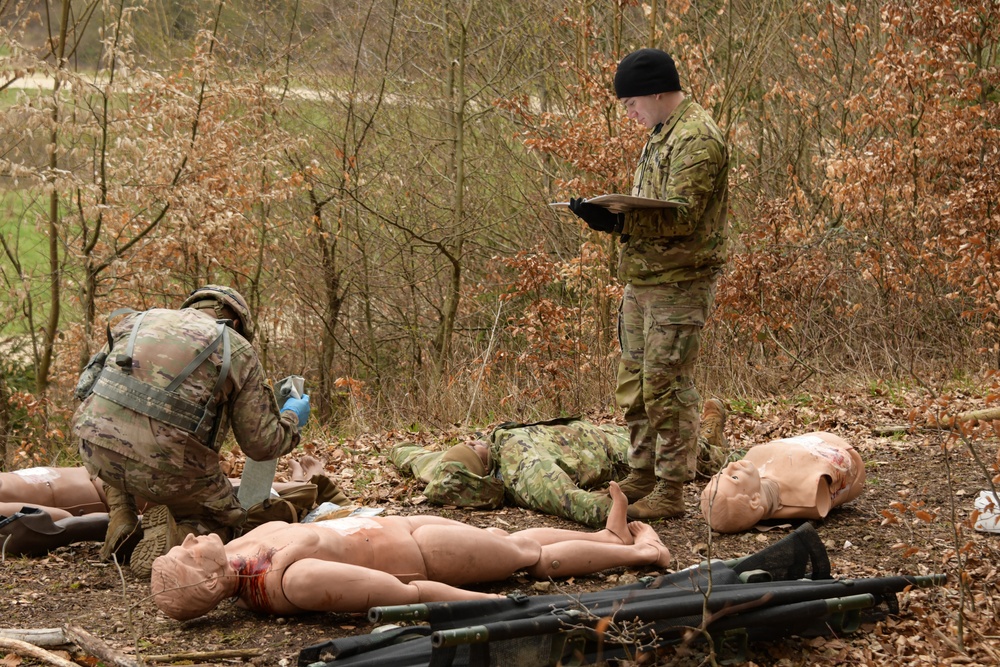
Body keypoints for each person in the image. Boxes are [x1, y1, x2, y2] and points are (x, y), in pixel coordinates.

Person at [566, 48, 730, 520]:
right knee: (634, 382)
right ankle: (644, 472)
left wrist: (614, 225)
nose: (630, 114)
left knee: (666, 384)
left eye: (632, 103)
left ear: (659, 91)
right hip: (644, 278)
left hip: (680, 282)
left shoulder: (697, 137)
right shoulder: (661, 132)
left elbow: (683, 217)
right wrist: (610, 215)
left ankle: (672, 488)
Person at [150, 481, 673, 620]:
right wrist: (487, 604)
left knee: (506, 541)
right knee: (522, 556)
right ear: (207, 580)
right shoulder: (290, 582)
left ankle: (609, 537)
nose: (193, 539)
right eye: (189, 553)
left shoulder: (238, 549)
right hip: (419, 554)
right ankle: (640, 556)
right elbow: (406, 592)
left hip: (398, 526)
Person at [72, 285, 312, 578]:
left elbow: (84, 390)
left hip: (94, 448)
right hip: (168, 467)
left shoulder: (136, 321)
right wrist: (292, 417)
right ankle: (178, 536)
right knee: (228, 520)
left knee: (116, 431)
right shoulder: (235, 347)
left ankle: (121, 514)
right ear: (237, 324)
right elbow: (261, 444)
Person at [391, 409, 729, 528]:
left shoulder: (445, 467)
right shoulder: (526, 472)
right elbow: (569, 500)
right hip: (614, 453)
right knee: (683, 452)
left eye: (470, 442)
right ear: (484, 469)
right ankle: (713, 445)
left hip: (594, 433)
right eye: (474, 449)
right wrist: (619, 511)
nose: (474, 441)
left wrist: (397, 449)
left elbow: (414, 456)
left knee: (658, 429)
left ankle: (705, 435)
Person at [700, 432, 866, 533]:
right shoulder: (807, 493)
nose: (731, 466)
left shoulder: (752, 464)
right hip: (841, 451)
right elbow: (847, 465)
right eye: (734, 477)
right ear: (754, 500)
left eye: (721, 472)